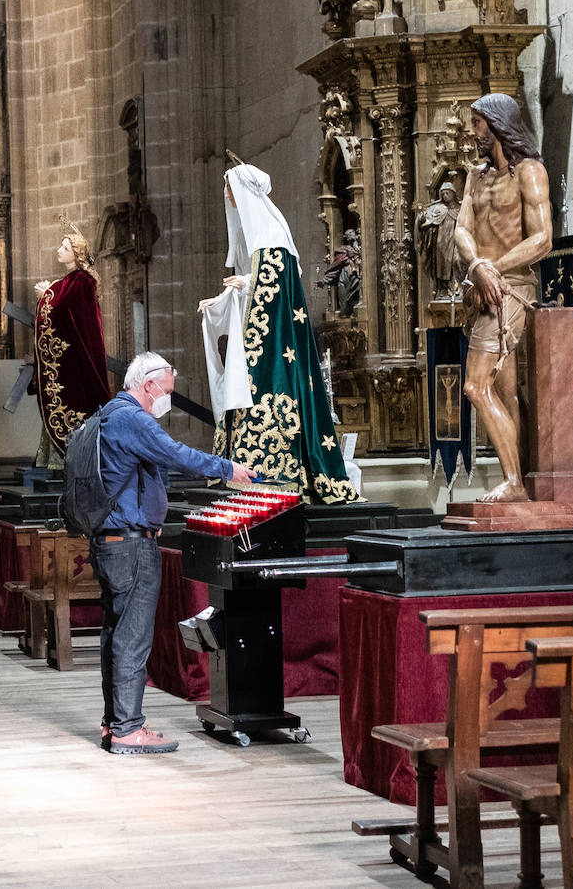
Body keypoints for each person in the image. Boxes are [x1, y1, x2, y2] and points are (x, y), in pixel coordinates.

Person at [91, 352, 255, 755]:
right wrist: (226, 468)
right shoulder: (133, 418)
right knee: (131, 636)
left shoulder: (108, 414)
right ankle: (128, 729)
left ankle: (114, 723)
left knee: (116, 632)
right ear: (148, 385)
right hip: (129, 545)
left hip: (112, 540)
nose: (167, 399)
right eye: (166, 391)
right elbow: (177, 454)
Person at [211, 161, 360, 505]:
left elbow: (273, 287)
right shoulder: (259, 240)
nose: (226, 196)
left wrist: (245, 284)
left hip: (275, 345)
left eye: (229, 189)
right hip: (259, 340)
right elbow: (253, 285)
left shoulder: (272, 237)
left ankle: (275, 472)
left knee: (267, 392)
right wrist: (225, 296)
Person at [454, 93, 553, 503]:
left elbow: (543, 238)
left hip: (512, 289)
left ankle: (514, 482)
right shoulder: (475, 177)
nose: (473, 132)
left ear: (497, 124)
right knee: (506, 391)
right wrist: (478, 266)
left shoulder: (529, 171)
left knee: (476, 386)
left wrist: (495, 269)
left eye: (478, 124)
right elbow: (461, 228)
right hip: (484, 287)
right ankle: (525, 483)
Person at [31, 215, 112, 464]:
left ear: (77, 255)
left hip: (76, 362)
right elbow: (60, 310)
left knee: (75, 405)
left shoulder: (82, 282)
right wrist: (48, 296)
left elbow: (67, 312)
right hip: (66, 361)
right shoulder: (67, 282)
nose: (59, 250)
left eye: (65, 248)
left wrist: (46, 296)